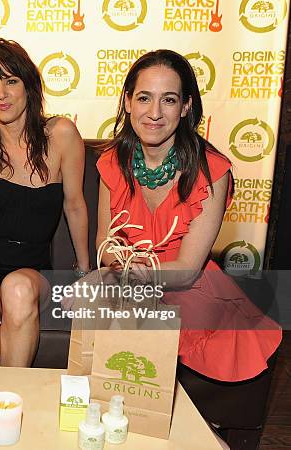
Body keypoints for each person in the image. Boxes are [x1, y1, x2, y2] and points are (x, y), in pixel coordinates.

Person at [96, 49, 281, 382]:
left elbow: (186, 268)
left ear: (185, 107)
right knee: (86, 300)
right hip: (128, 277)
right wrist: (124, 270)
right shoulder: (112, 162)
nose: (154, 113)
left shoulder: (211, 170)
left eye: (168, 100)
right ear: (127, 102)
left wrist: (139, 277)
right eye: (143, 98)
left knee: (148, 318)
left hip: (188, 286)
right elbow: (104, 244)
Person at [0, 39, 90, 367]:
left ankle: (9, 405)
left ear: (29, 86)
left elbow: (75, 205)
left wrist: (83, 274)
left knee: (16, 290)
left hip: (30, 271)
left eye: (11, 81)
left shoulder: (62, 135)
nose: (1, 94)